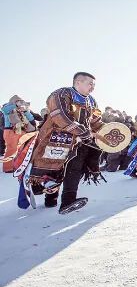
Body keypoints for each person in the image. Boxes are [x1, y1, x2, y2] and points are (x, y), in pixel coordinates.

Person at [21, 72, 105, 214]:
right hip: (54, 139)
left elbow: (95, 121)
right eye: (90, 84)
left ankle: (68, 201)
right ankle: (46, 195)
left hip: (79, 142)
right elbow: (60, 115)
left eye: (94, 85)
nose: (92, 87)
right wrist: (81, 131)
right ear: (78, 82)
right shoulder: (62, 94)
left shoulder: (91, 100)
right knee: (51, 170)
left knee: (74, 170)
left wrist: (107, 131)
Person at [2, 95, 36, 173]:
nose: (20, 103)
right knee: (12, 149)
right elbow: (4, 110)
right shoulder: (8, 107)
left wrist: (26, 111)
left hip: (22, 131)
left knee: (21, 149)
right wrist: (15, 105)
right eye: (18, 101)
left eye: (21, 101)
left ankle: (17, 165)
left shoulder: (22, 109)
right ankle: (8, 168)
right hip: (11, 131)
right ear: (13, 101)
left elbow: (31, 118)